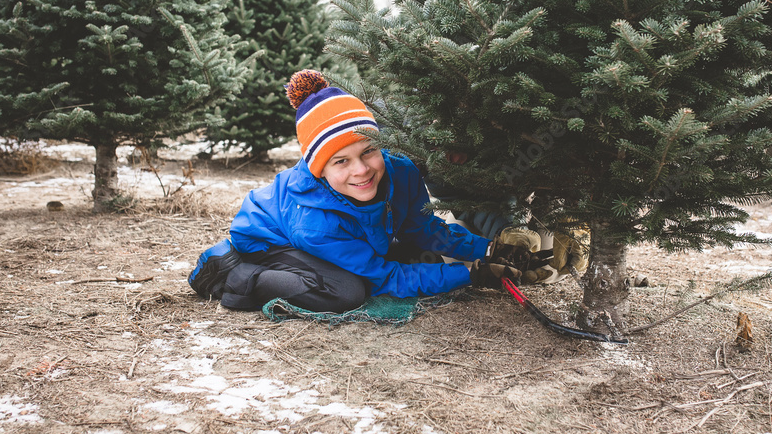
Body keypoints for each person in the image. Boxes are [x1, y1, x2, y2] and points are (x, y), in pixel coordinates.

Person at [189, 70, 550, 312]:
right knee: (347, 291)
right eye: (340, 162)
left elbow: (421, 229)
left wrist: (488, 248)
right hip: (269, 240)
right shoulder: (316, 223)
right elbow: (383, 279)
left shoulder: (402, 172)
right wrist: (473, 274)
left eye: (367, 152)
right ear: (321, 170)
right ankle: (232, 272)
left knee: (413, 253)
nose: (361, 171)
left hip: (327, 235)